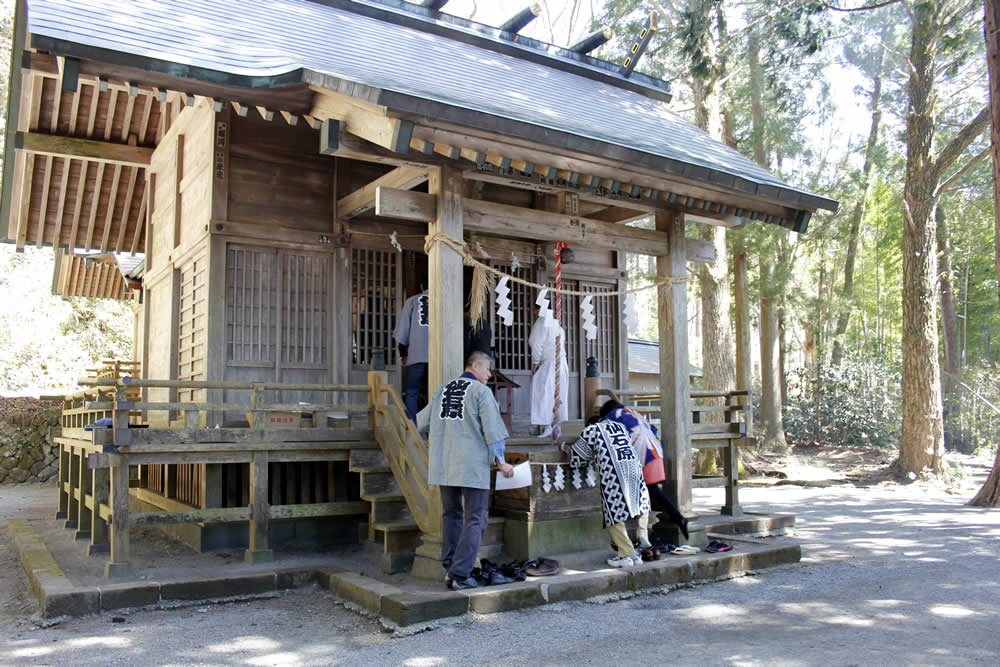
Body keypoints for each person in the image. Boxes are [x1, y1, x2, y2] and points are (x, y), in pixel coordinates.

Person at [417, 351, 514, 590]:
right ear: (475, 365)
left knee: (451, 515)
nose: (490, 375)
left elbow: (422, 422)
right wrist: (501, 462)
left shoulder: (443, 390)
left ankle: (450, 566)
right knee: (476, 518)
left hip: (444, 463)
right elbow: (492, 429)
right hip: (471, 464)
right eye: (487, 369)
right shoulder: (481, 392)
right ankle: (460, 574)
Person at [599, 399, 689, 542]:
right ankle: (643, 534)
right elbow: (654, 430)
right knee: (649, 493)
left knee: (648, 493)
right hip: (655, 453)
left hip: (642, 455)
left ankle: (676, 518)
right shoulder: (634, 413)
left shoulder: (612, 416)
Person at [568, 417, 651, 568]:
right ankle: (642, 533)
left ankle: (627, 553)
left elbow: (577, 458)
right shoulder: (620, 426)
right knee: (641, 501)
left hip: (613, 472)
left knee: (614, 510)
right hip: (633, 466)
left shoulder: (592, 430)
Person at [528, 307, 568, 438]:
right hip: (561, 363)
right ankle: (557, 427)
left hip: (549, 363)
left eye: (536, 308)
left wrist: (535, 362)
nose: (535, 311)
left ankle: (547, 426)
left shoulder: (542, 321)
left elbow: (536, 343)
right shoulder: (557, 323)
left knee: (544, 394)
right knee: (558, 395)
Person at [394, 276, 429, 421]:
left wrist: (403, 353)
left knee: (412, 393)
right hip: (438, 358)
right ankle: (434, 430)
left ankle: (412, 430)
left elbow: (403, 330)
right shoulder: (444, 301)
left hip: (415, 356)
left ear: (421, 287)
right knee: (435, 393)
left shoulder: (412, 301)